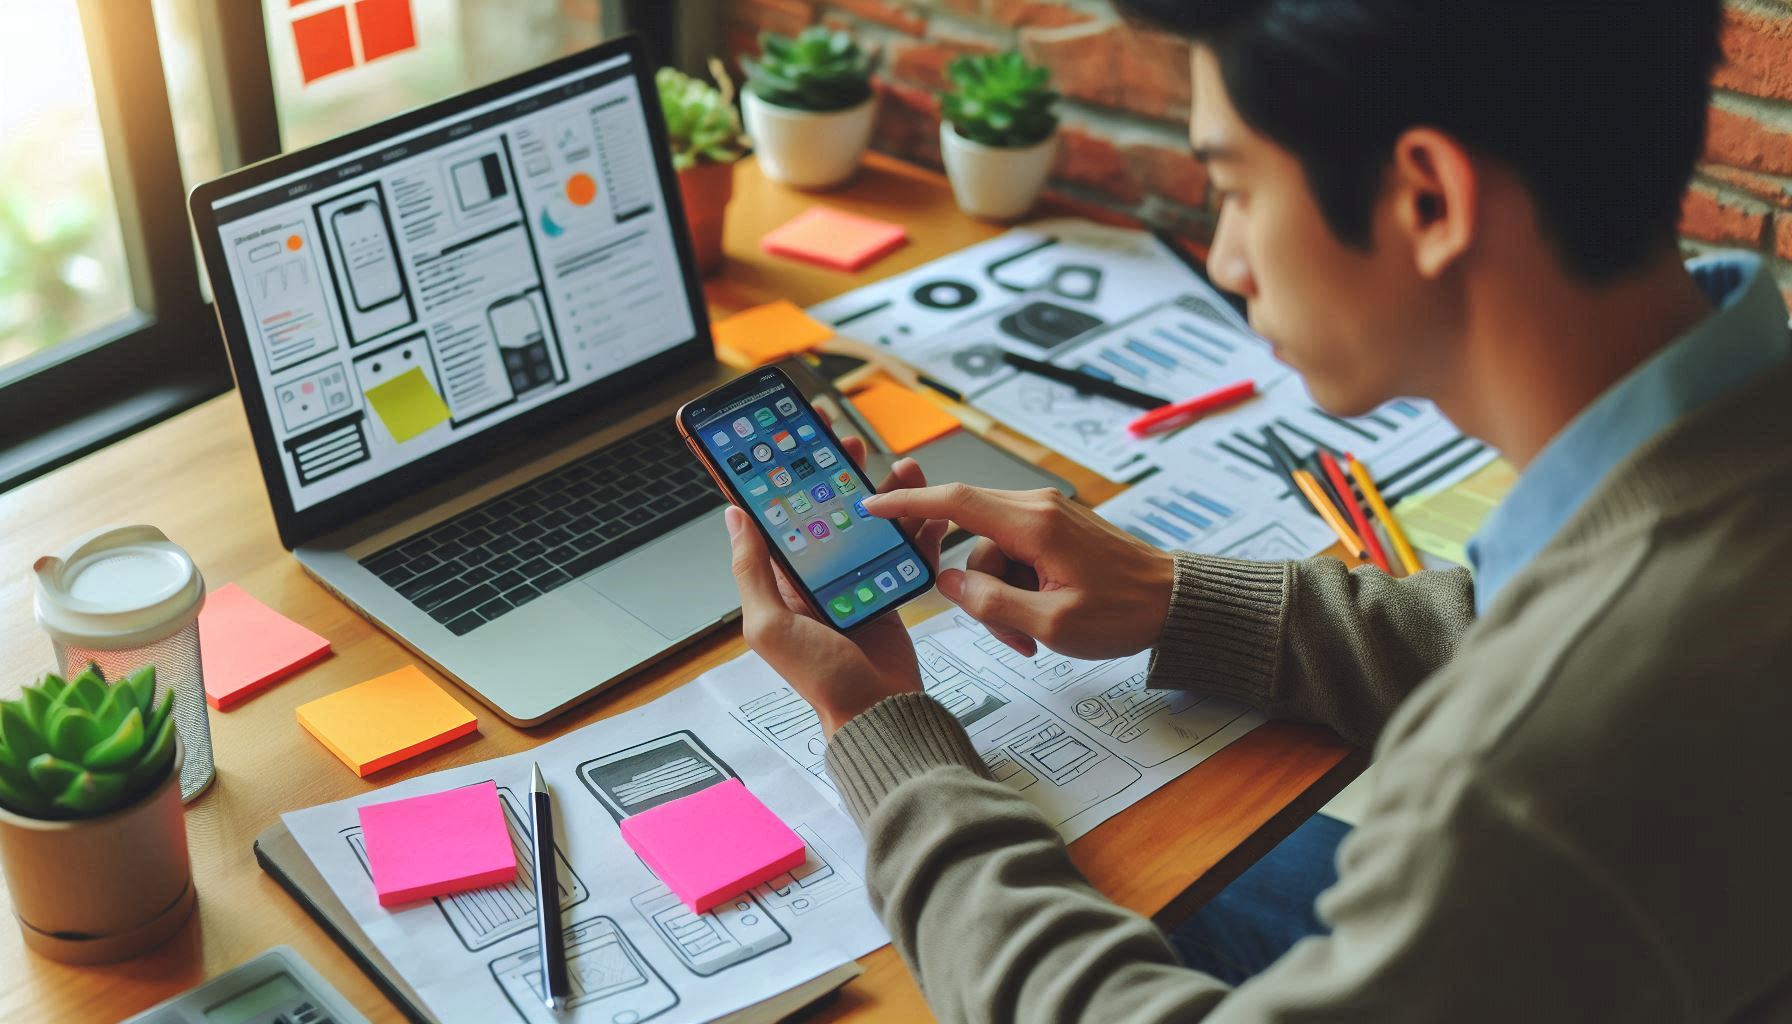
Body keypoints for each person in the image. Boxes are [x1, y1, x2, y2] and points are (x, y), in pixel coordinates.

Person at [724, 0, 1792, 1018]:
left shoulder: (1528, 784)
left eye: (1234, 187)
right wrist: (1180, 598)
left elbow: (1567, 710)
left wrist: (892, 750)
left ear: (1427, 200)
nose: (1225, 259)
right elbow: (1532, 630)